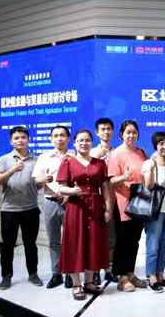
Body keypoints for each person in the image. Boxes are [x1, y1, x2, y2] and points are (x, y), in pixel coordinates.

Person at [56, 130, 112, 300]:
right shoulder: (68, 162)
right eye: (80, 140)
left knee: (93, 244)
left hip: (95, 207)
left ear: (91, 143)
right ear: (74, 143)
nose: (84, 143)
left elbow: (105, 188)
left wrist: (108, 209)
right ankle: (76, 284)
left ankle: (89, 282)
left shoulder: (100, 163)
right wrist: (72, 191)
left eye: (87, 140)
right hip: (76, 208)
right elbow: (61, 188)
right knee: (74, 244)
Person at [0, 126, 43, 290]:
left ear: (28, 140)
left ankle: (33, 274)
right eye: (16, 138)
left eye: (23, 137)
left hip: (31, 209)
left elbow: (37, 185)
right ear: (11, 141)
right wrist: (13, 169)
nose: (20, 140)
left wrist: (44, 181)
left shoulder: (37, 160)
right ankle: (6, 276)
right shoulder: (4, 159)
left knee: (31, 244)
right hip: (9, 210)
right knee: (8, 244)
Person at [32, 125, 74, 289]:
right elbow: (36, 181)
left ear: (68, 138)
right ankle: (56, 274)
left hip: (71, 202)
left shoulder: (74, 156)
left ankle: (71, 273)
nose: (59, 138)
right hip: (50, 202)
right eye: (55, 136)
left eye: (62, 135)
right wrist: (43, 179)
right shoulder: (44, 157)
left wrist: (68, 195)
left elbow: (79, 180)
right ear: (51, 139)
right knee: (54, 240)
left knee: (71, 240)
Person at [108, 120, 148, 292]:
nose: (131, 135)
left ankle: (130, 273)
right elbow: (110, 181)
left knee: (135, 241)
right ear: (121, 135)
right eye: (128, 132)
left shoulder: (141, 152)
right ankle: (121, 277)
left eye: (134, 132)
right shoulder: (116, 154)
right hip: (123, 203)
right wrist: (124, 177)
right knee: (123, 241)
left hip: (141, 202)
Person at [142, 132, 165, 292]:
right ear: (156, 146)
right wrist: (150, 170)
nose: (164, 146)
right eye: (161, 143)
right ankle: (151, 276)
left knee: (164, 245)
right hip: (155, 211)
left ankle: (160, 274)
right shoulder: (150, 163)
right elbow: (148, 186)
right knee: (153, 245)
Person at [90, 117, 116, 284]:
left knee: (111, 237)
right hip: (94, 200)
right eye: (103, 129)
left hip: (113, 199)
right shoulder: (91, 153)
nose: (106, 132)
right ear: (97, 132)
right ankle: (94, 270)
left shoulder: (117, 152)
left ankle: (109, 268)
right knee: (94, 237)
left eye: (109, 129)